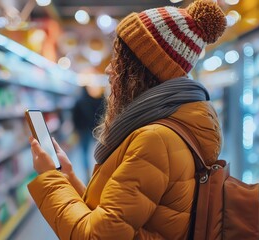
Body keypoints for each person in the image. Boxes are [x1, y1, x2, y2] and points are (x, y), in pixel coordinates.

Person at [28, 0, 226, 239]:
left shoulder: (155, 140)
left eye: (119, 61)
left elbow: (96, 236)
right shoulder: (166, 127)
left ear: (140, 70)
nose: (110, 70)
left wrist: (49, 179)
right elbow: (111, 217)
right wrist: (66, 177)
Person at [71, 85, 104, 182]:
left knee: (84, 152)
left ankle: (87, 173)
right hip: (92, 128)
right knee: (97, 149)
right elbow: (98, 113)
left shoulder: (78, 101)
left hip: (82, 130)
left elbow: (74, 117)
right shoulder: (92, 100)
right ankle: (97, 170)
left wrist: (76, 128)